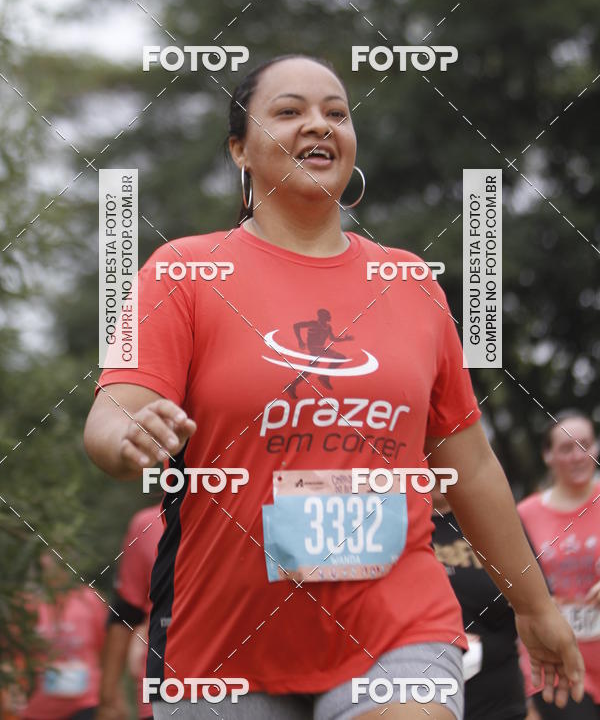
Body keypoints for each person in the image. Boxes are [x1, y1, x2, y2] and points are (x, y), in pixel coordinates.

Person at [84, 54, 584, 720]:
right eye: (289, 111)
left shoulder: (410, 283)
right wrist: (129, 438)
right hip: (222, 644)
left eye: (337, 113)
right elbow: (113, 413)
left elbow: (470, 465)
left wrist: (535, 606)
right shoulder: (183, 271)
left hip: (396, 623)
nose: (318, 124)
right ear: (239, 148)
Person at [518, 410, 600, 719]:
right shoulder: (524, 514)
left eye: (586, 444)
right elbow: (512, 586)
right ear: (547, 455)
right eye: (566, 448)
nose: (578, 456)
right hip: (557, 665)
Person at [431, 480, 527, 718]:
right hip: (428, 697)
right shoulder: (397, 525)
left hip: (501, 697)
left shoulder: (491, 521)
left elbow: (534, 601)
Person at [97, 504, 164, 720]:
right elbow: (125, 612)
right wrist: (107, 699)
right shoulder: (147, 524)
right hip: (162, 689)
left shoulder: (256, 512)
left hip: (241, 688)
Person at [20, 555, 107, 720]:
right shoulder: (27, 604)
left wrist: (111, 697)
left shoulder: (90, 599)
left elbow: (106, 650)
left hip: (85, 703)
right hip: (38, 708)